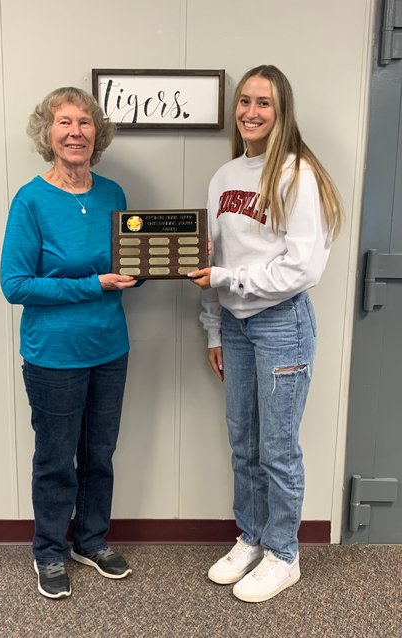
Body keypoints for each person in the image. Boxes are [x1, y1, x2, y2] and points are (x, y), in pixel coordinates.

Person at [188, 65, 342, 603]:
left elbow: (303, 270)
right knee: (243, 443)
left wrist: (228, 280)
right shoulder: (225, 176)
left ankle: (284, 552)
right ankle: (251, 537)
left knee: (276, 448)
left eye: (264, 103)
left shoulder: (298, 176)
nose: (251, 112)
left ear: (282, 112)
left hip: (281, 325)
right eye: (245, 101)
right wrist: (213, 326)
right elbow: (213, 259)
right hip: (235, 325)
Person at [0, 87, 138, 599]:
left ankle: (91, 540)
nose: (75, 132)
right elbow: (14, 284)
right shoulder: (31, 200)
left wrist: (163, 264)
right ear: (48, 132)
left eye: (84, 122)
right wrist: (92, 284)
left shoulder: (113, 194)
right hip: (53, 355)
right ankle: (50, 550)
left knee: (100, 453)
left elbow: (127, 268)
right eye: (64, 122)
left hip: (110, 348)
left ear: (97, 134)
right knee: (56, 458)